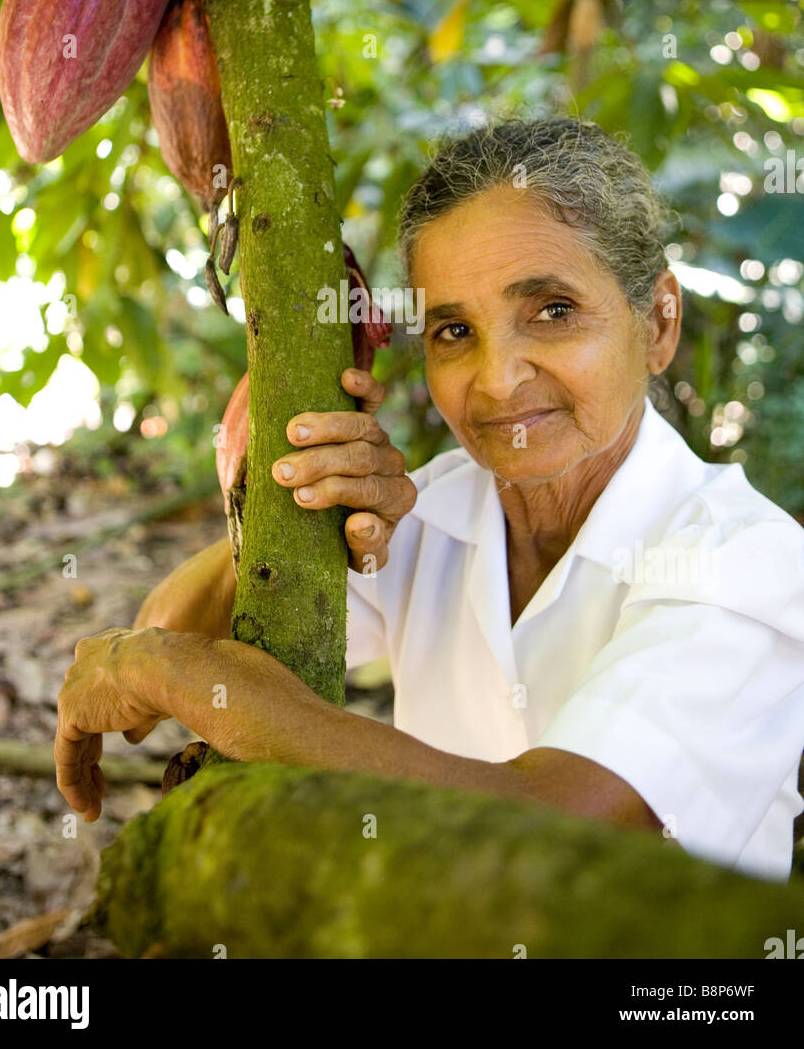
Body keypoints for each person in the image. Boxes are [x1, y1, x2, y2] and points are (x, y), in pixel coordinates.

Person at [54, 116, 804, 882]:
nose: (499, 379)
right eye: (454, 330)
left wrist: (184, 677)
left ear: (658, 324)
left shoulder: (746, 558)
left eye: (552, 310)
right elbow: (162, 640)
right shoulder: (433, 506)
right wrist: (304, 491)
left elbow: (555, 833)